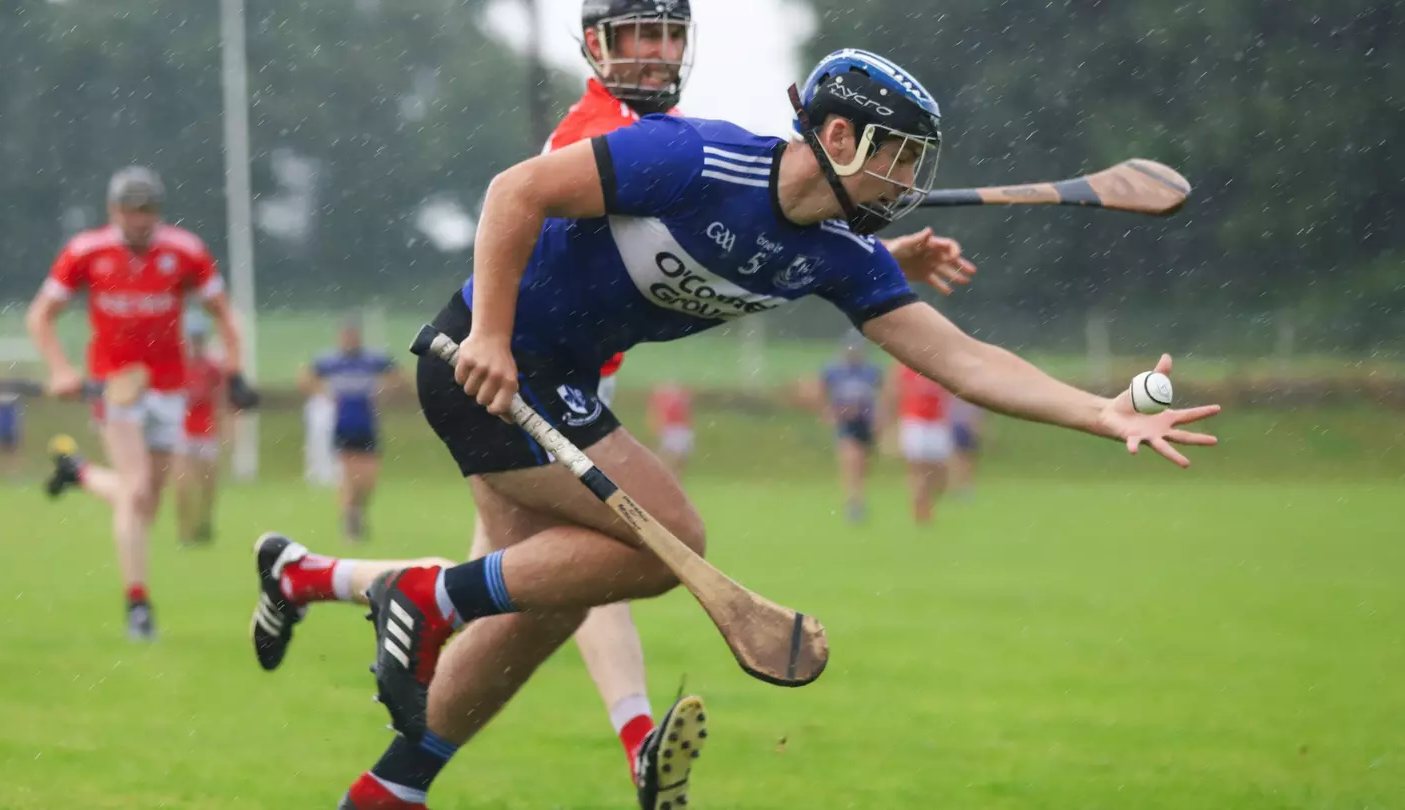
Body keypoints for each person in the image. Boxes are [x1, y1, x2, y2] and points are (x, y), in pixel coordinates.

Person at [250, 48, 1219, 810]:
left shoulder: (840, 255)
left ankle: (394, 778)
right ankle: (425, 597)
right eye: (893, 153)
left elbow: (963, 360)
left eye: (914, 161)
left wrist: (1099, 409)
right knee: (670, 541)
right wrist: (493, 335)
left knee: (547, 606)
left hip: (562, 386)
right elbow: (517, 191)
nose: (906, 176)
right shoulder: (693, 157)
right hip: (482, 363)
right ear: (834, 134)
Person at [26, 166, 258, 641]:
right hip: (115, 388)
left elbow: (224, 313)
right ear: (113, 211)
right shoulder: (86, 252)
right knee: (134, 494)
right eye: (130, 210)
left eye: (147, 209)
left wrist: (234, 371)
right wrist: (61, 369)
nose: (139, 219)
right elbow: (41, 315)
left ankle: (78, 472)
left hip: (167, 388)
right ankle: (138, 606)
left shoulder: (185, 252)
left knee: (148, 501)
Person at [301, 318, 403, 543]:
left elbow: (397, 373)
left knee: (368, 479)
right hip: (343, 427)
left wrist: (383, 392)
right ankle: (350, 519)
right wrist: (323, 394)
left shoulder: (370, 360)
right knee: (348, 476)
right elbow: (307, 376)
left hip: (367, 426)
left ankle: (358, 510)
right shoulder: (332, 362)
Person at [176, 309, 228, 544]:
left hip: (206, 430)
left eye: (198, 338)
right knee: (183, 483)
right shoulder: (178, 366)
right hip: (181, 432)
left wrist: (224, 426)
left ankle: (205, 522)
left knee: (208, 482)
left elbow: (220, 397)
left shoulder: (212, 368)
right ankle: (184, 529)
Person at [819, 335, 882, 523]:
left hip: (865, 422)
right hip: (845, 422)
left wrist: (880, 416)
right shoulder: (834, 371)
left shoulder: (870, 371)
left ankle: (859, 498)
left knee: (863, 465)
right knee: (850, 459)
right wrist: (828, 411)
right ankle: (851, 502)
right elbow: (820, 389)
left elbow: (882, 394)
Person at [883, 362, 953, 523]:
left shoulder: (938, 367)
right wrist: (891, 424)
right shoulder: (905, 367)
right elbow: (892, 393)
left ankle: (926, 502)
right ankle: (920, 511)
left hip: (936, 422)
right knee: (918, 470)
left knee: (940, 475)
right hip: (914, 422)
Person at [646, 380, 693, 477]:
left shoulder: (680, 397)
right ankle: (668, 474)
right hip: (670, 429)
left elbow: (687, 413)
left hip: (680, 428)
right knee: (670, 456)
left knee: (679, 458)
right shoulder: (663, 398)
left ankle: (673, 475)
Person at [947, 394, 983, 498]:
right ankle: (957, 486)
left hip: (967, 426)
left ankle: (965, 486)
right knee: (959, 458)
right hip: (960, 425)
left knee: (968, 459)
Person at [0, 383, 26, 479]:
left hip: (7, 431)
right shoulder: (8, 406)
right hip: (6, 431)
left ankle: (11, 472)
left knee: (9, 453)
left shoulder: (1, 407)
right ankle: (9, 472)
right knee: (8, 453)